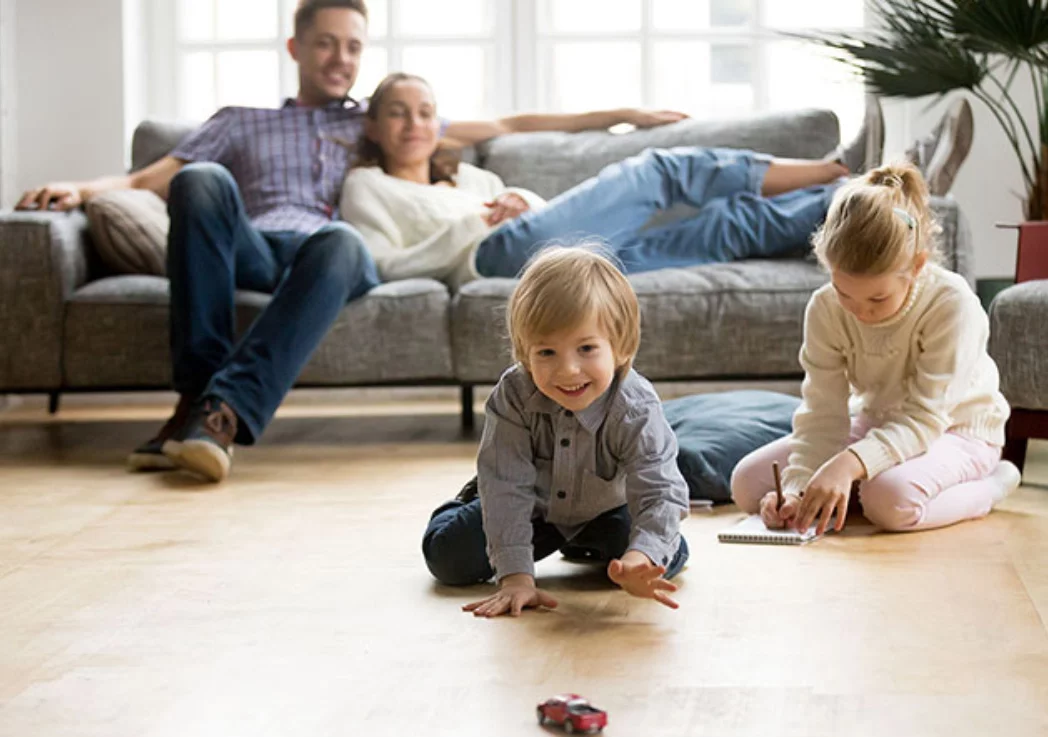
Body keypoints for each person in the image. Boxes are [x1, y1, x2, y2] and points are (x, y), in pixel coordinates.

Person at [14, 0, 686, 483]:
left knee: (337, 240)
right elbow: (150, 178)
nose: (341, 57)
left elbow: (507, 122)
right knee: (203, 181)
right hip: (256, 245)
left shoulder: (376, 122)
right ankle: (198, 399)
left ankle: (219, 415)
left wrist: (621, 113)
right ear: (296, 48)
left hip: (334, 256)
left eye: (354, 45)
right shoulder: (237, 121)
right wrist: (81, 188)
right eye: (327, 42)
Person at [341, 73, 866, 289]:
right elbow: (379, 265)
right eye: (397, 113)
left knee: (725, 226)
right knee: (658, 171)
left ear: (439, 124)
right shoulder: (368, 186)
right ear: (372, 124)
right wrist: (473, 226)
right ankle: (836, 165)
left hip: (562, 264)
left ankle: (859, 195)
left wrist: (521, 200)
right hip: (494, 261)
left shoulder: (473, 177)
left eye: (425, 112)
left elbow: (550, 224)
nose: (413, 124)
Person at [730, 162, 1020, 536]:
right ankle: (850, 489)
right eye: (844, 293)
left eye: (878, 298)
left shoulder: (952, 304)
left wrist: (847, 465)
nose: (861, 312)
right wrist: (795, 491)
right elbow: (822, 413)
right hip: (876, 425)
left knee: (888, 502)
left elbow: (925, 419)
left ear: (916, 266)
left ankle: (992, 484)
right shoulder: (824, 307)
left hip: (956, 430)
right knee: (747, 484)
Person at [421, 246, 690, 618]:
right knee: (447, 558)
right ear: (523, 353)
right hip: (533, 506)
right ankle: (470, 497)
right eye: (546, 352)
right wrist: (515, 578)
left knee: (665, 558)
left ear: (621, 347)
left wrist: (637, 559)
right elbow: (507, 488)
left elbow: (660, 491)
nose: (567, 370)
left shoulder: (636, 405)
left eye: (586, 348)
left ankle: (589, 543)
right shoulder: (514, 394)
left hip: (608, 508)